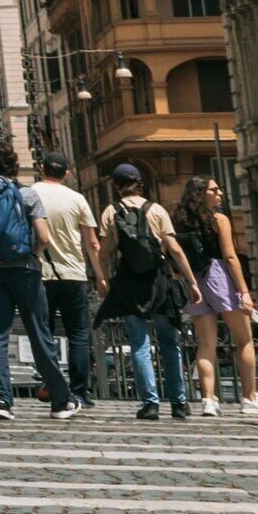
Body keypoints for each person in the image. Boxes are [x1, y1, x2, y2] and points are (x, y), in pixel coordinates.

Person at [0, 139, 72, 416]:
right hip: (25, 270)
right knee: (38, 332)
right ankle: (61, 400)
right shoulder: (27, 195)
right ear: (14, 165)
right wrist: (33, 254)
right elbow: (44, 237)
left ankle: (1, 400)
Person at [175, 170, 258, 415]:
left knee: (205, 343)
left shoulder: (179, 219)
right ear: (200, 194)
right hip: (218, 275)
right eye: (214, 190)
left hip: (194, 280)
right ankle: (249, 398)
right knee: (244, 339)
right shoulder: (219, 219)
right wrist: (244, 291)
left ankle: (209, 400)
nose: (219, 193)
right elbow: (230, 257)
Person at [99, 164, 194, 420]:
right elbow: (173, 247)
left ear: (117, 185)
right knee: (168, 342)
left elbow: (104, 250)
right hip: (158, 280)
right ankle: (179, 402)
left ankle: (150, 404)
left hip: (129, 281)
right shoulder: (156, 210)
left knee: (140, 344)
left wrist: (101, 277)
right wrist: (191, 280)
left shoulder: (111, 211)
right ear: (140, 183)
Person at [23, 156, 102, 413]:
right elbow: (92, 242)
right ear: (67, 172)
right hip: (74, 274)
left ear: (42, 168)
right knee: (78, 333)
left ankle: (53, 384)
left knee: (43, 333)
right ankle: (80, 390)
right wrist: (100, 275)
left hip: (41, 273)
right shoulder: (77, 198)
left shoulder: (31, 193)